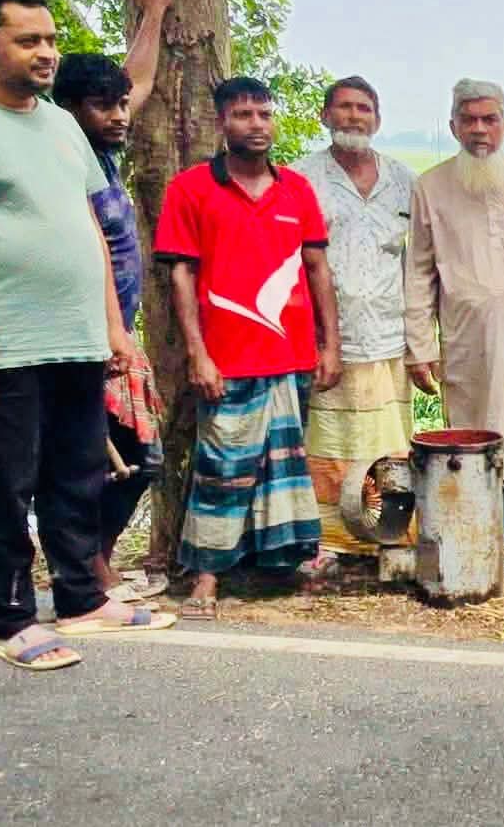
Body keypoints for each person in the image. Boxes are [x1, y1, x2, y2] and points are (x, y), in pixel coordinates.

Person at [0, 0, 171, 673]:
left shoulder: (56, 123)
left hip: (77, 333)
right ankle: (12, 615)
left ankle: (81, 596)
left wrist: (115, 327)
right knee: (5, 480)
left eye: (49, 38)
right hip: (3, 339)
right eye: (28, 40)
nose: (45, 52)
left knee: (77, 472)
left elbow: (86, 227)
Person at [153, 77, 341, 620]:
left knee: (283, 466)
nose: (256, 124)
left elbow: (317, 269)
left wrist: (331, 345)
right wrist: (198, 353)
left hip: (291, 355)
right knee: (223, 465)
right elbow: (181, 277)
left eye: (263, 114)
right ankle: (207, 574)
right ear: (221, 124)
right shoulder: (190, 189)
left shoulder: (297, 191)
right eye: (243, 115)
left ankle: (282, 564)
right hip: (227, 356)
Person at [46, 0, 174, 603]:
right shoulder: (56, 158)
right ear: (67, 109)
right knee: (96, 459)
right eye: (105, 106)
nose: (121, 114)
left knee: (139, 457)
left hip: (116, 337)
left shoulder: (104, 152)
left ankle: (93, 565)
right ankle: (88, 577)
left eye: (121, 105)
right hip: (79, 337)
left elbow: (140, 80)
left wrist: (153, 13)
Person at [405, 80, 504, 564]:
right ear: (453, 126)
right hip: (466, 340)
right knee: (474, 436)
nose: (479, 129)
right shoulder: (430, 187)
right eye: (469, 119)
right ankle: (478, 543)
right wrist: (419, 345)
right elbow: (418, 269)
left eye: (489, 119)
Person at [291, 77, 417, 582]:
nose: (353, 117)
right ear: (325, 116)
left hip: (389, 339)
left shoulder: (405, 181)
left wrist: (423, 341)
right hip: (327, 343)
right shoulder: (301, 180)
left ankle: (387, 542)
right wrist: (317, 338)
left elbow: (420, 263)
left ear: (378, 119)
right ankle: (328, 548)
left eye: (363, 108)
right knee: (329, 446)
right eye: (343, 107)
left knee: (388, 446)